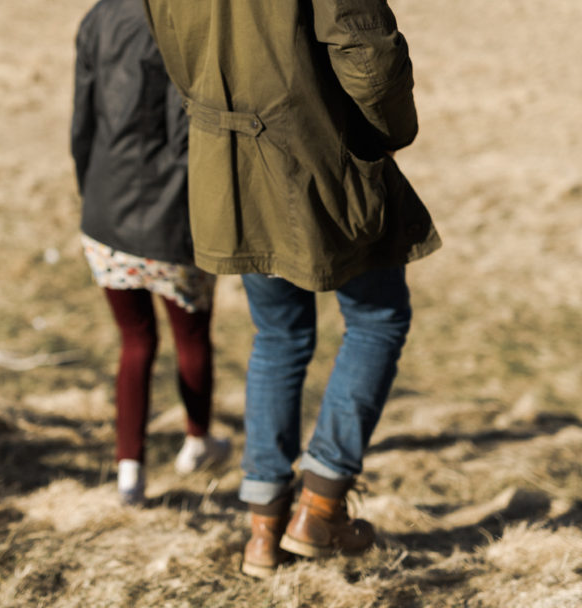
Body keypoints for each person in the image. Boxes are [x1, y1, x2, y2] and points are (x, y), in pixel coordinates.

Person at [141, 0, 441, 575]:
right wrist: (388, 133)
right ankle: (320, 506)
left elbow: (172, 46)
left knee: (277, 334)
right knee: (378, 320)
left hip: (230, 168)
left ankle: (263, 529)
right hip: (318, 159)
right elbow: (368, 52)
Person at [70, 0, 230, 506]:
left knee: (134, 341)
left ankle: (129, 473)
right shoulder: (194, 21)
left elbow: (83, 119)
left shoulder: (99, 16)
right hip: (174, 218)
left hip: (107, 206)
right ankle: (197, 440)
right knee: (192, 333)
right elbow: (189, 136)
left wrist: (89, 189)